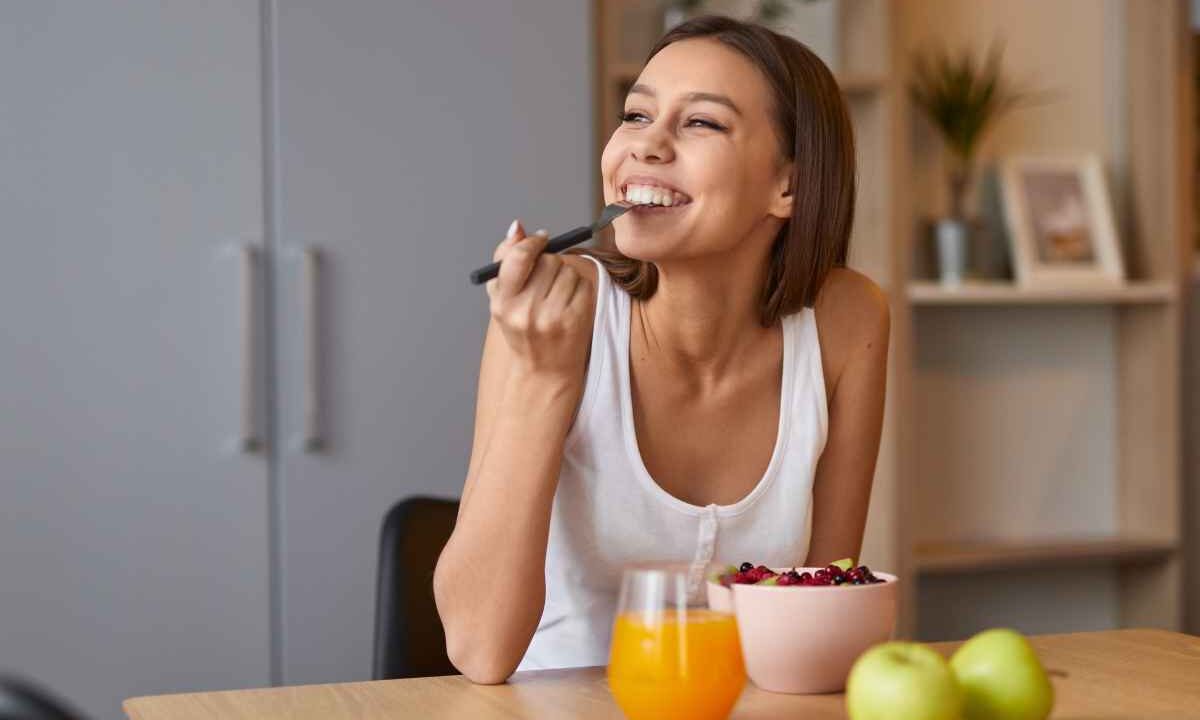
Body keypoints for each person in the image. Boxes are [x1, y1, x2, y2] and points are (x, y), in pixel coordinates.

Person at [434, 15, 889, 684]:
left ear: (788, 186)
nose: (645, 145)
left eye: (700, 122)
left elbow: (819, 616)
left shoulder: (847, 321)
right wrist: (543, 377)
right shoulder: (553, 315)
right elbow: (478, 649)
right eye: (636, 115)